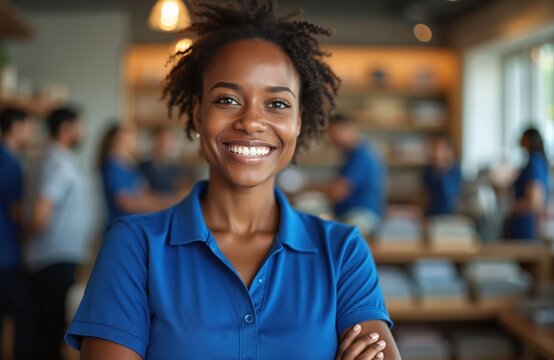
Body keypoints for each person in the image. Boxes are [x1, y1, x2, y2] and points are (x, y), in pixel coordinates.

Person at [65, 1, 400, 359]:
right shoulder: (136, 247)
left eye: (277, 104)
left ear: (299, 121)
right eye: (227, 99)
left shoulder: (343, 251)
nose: (251, 121)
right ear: (198, 112)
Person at [25, 107, 94, 360]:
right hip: (52, 256)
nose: (83, 132)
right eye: (80, 126)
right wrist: (27, 238)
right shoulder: (55, 161)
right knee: (50, 330)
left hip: (60, 254)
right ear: (66, 128)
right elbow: (41, 211)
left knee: (51, 329)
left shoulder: (59, 158)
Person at [0, 108, 35, 360]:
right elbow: (16, 213)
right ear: (15, 127)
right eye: (28, 126)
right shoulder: (10, 163)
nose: (32, 132)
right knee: (27, 313)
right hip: (6, 255)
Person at [314, 113, 387, 234]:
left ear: (344, 128)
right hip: (349, 213)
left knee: (340, 239)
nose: (330, 138)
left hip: (361, 215)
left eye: (332, 132)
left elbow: (338, 192)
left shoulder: (362, 155)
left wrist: (306, 187)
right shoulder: (350, 154)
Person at [98, 124, 180, 229]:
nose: (135, 140)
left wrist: (173, 200)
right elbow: (127, 203)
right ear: (119, 140)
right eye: (131, 136)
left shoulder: (130, 168)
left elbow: (146, 194)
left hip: (132, 228)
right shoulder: (113, 168)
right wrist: (170, 202)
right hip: (120, 229)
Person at [506, 127, 551, 240]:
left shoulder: (534, 162)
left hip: (526, 226)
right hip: (526, 225)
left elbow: (534, 201)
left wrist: (511, 208)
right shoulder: (536, 161)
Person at [422, 136, 463, 216]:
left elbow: (452, 194)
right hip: (432, 216)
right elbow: (425, 198)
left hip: (453, 216)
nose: (438, 153)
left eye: (442, 149)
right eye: (435, 149)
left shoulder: (456, 171)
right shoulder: (428, 172)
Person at [138, 126, 186, 194]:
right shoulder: (142, 168)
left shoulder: (176, 170)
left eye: (167, 141)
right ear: (153, 142)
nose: (164, 145)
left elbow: (180, 194)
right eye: (160, 141)